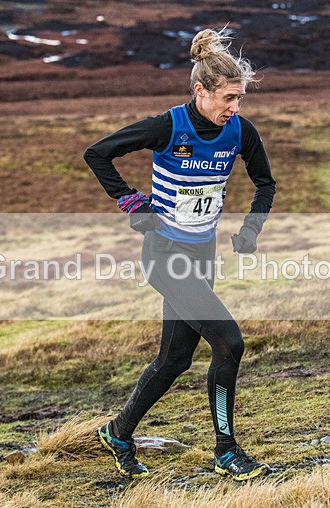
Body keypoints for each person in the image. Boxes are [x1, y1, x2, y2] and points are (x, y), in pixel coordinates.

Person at [83, 28, 276, 482]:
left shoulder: (240, 132)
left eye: (240, 99)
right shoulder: (169, 126)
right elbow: (98, 154)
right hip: (165, 255)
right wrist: (132, 202)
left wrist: (250, 229)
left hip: (201, 256)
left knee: (174, 360)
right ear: (200, 90)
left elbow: (265, 183)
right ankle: (226, 452)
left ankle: (118, 432)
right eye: (229, 98)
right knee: (230, 343)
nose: (235, 108)